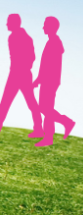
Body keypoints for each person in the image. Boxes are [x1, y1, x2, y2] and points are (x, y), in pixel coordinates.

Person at [0, 14, 42, 139]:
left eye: (8, 22)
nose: (7, 24)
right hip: (14, 73)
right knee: (5, 102)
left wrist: (23, 68)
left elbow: (32, 57)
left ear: (15, 23)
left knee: (30, 102)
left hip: (22, 74)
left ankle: (39, 129)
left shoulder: (24, 37)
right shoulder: (12, 37)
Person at [33, 16, 76, 147]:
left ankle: (53, 133)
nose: (43, 27)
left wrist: (42, 80)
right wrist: (39, 79)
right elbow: (45, 65)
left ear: (51, 27)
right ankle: (63, 124)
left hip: (50, 81)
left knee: (46, 108)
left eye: (45, 25)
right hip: (48, 80)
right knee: (45, 108)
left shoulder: (54, 43)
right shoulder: (52, 42)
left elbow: (51, 65)